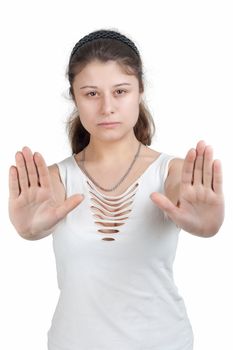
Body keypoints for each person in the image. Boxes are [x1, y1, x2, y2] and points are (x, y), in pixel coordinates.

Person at [8, 29, 225, 350]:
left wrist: (208, 225)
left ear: (140, 91)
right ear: (75, 97)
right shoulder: (54, 178)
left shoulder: (174, 172)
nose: (107, 107)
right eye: (91, 94)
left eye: (120, 91)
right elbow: (34, 224)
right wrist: (27, 230)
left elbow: (201, 217)